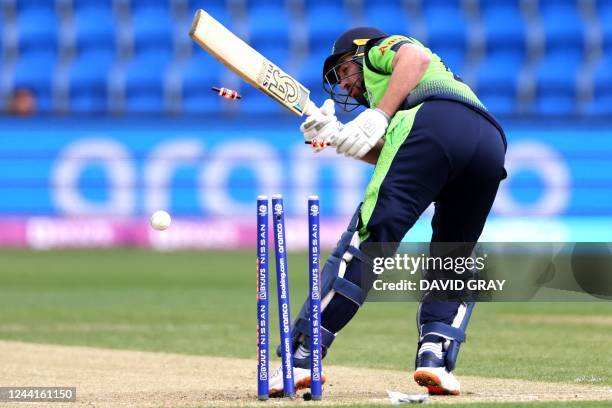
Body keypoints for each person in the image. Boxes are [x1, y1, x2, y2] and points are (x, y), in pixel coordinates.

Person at [268, 27, 507, 397]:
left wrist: (379, 114)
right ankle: (435, 359)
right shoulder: (416, 95)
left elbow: (415, 58)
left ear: (363, 54)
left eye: (346, 70)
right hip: (488, 143)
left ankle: (302, 356)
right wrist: (337, 135)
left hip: (433, 123)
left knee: (369, 242)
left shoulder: (382, 51)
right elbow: (404, 155)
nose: (345, 84)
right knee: (454, 256)